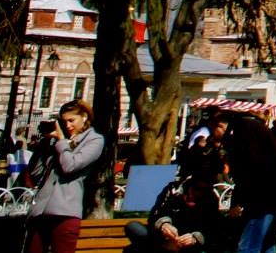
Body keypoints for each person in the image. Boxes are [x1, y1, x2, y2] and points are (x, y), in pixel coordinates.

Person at [26, 102, 107, 253]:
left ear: (84, 117)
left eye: (71, 120)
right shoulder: (57, 141)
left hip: (65, 211)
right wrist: (45, 145)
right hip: (41, 211)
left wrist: (61, 142)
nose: (68, 125)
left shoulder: (94, 140)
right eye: (64, 122)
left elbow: (70, 166)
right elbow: (36, 174)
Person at [225, 113, 276, 253]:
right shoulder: (260, 142)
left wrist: (240, 202)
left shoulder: (248, 142)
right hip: (272, 196)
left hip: (263, 199)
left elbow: (249, 178)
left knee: (251, 244)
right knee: (266, 242)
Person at [125, 174, 223, 253]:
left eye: (204, 190)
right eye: (196, 188)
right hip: (162, 240)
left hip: (188, 246)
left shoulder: (211, 200)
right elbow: (154, 216)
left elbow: (213, 229)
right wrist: (164, 224)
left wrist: (196, 238)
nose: (198, 193)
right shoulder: (172, 191)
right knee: (134, 227)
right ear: (190, 185)